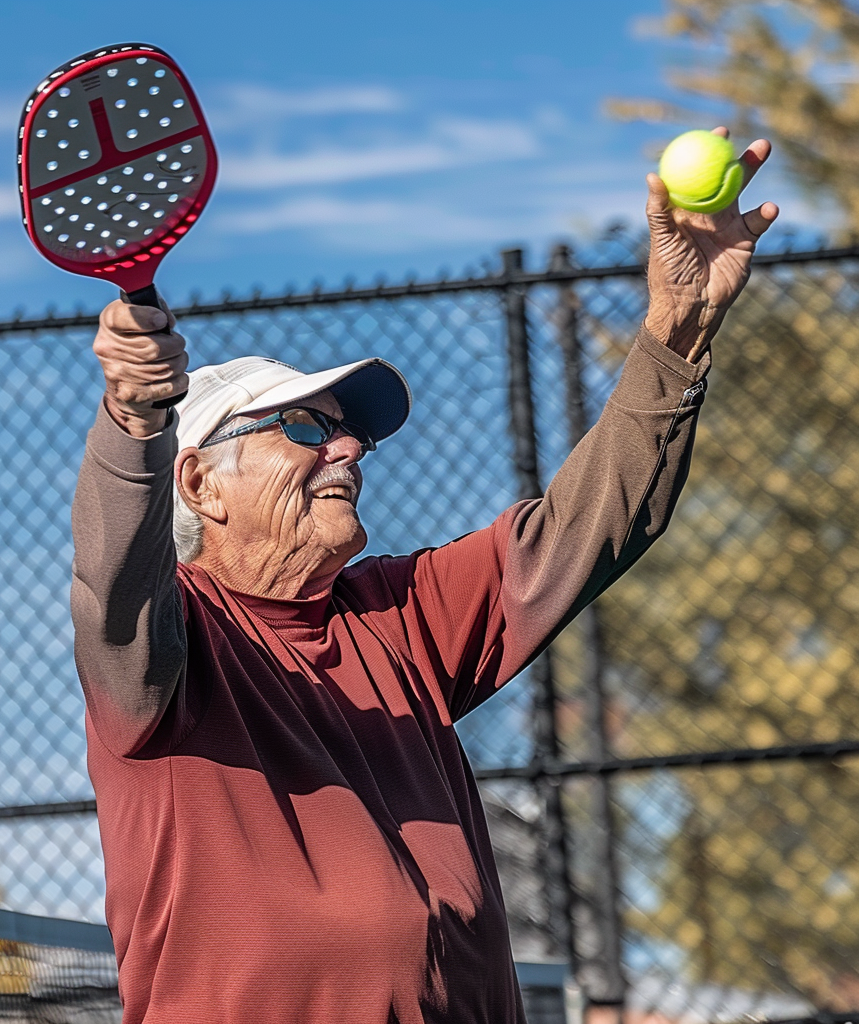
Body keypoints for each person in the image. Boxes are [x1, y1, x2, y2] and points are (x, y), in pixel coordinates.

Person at [71, 132, 778, 1024]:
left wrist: (677, 330)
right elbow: (117, 579)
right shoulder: (164, 650)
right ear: (201, 482)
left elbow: (589, 527)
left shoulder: (393, 613)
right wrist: (134, 420)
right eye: (301, 425)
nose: (348, 448)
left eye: (350, 429)